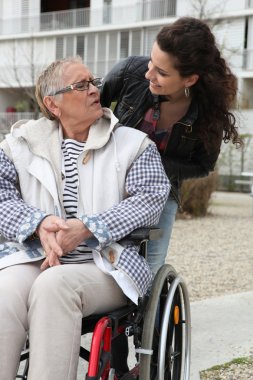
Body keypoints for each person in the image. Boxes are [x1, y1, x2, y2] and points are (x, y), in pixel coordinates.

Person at [0, 57, 170, 380]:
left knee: (53, 286)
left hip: (105, 264)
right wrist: (37, 224)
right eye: (82, 85)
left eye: (93, 81)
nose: (95, 90)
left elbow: (149, 200)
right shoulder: (18, 146)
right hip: (39, 257)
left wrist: (88, 228)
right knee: (4, 291)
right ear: (53, 104)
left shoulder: (133, 145)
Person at [100, 16, 242, 275]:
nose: (148, 73)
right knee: (97, 259)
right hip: (105, 181)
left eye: (161, 72)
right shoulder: (130, 71)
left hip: (161, 193)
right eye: (152, 61)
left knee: (150, 272)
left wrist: (150, 165)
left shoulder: (207, 115)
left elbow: (202, 166)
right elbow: (88, 111)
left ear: (189, 80)